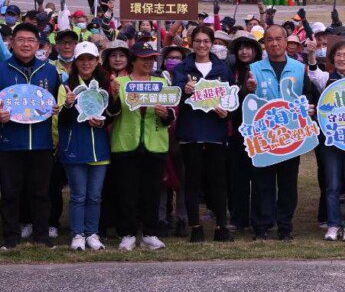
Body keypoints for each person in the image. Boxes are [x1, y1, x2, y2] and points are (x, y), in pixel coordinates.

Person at [249, 25, 320, 241]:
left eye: (278, 39)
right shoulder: (254, 68)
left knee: (288, 183)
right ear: (264, 43)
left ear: (286, 41)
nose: (274, 43)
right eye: (269, 39)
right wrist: (247, 89)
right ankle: (262, 225)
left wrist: (309, 107)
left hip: (291, 136)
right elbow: (245, 100)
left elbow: (309, 95)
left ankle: (285, 226)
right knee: (262, 183)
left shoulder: (298, 68)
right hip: (263, 136)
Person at [0, 22, 62, 249]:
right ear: (11, 43)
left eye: (30, 40)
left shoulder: (49, 71)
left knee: (41, 193)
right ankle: (11, 238)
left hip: (41, 142)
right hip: (9, 142)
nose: (25, 44)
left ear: (38, 45)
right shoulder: (2, 69)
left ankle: (41, 236)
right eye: (21, 40)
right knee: (10, 193)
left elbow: (57, 100)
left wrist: (56, 107)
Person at [109, 39, 175, 252]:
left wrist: (166, 114)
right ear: (133, 60)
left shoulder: (161, 83)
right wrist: (113, 96)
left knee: (152, 192)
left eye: (152, 59)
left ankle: (150, 233)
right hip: (126, 142)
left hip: (154, 143)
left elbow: (171, 115)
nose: (148, 63)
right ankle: (127, 233)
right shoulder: (121, 83)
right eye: (144, 59)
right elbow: (111, 114)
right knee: (126, 191)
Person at [173, 25, 236, 242]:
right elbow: (174, 94)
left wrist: (227, 112)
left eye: (206, 41)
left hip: (216, 132)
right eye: (198, 41)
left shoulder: (222, 69)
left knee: (218, 181)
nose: (202, 45)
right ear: (191, 43)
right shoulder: (182, 68)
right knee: (192, 181)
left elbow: (232, 98)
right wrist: (184, 89)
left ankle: (221, 226)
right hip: (191, 132)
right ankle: (196, 227)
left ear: (212, 43)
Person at [55, 41, 118, 251]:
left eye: (90, 58)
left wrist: (105, 114)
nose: (86, 63)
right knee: (78, 195)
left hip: (99, 148)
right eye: (81, 59)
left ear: (97, 60)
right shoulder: (66, 85)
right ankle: (77, 234)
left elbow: (111, 115)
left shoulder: (105, 84)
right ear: (75, 62)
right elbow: (62, 121)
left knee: (95, 196)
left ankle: (92, 233)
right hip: (75, 148)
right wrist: (68, 104)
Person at [308, 39, 345, 241]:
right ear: (332, 58)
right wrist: (312, 54)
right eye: (338, 55)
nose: (342, 59)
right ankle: (333, 224)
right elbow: (313, 73)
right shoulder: (327, 78)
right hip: (331, 141)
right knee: (332, 185)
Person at [227, 33, 262, 232]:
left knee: (259, 176)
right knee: (238, 176)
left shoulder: (262, 70)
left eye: (248, 47)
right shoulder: (230, 71)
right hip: (236, 129)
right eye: (240, 48)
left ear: (255, 50)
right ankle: (239, 217)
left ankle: (259, 218)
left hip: (258, 130)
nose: (244, 51)